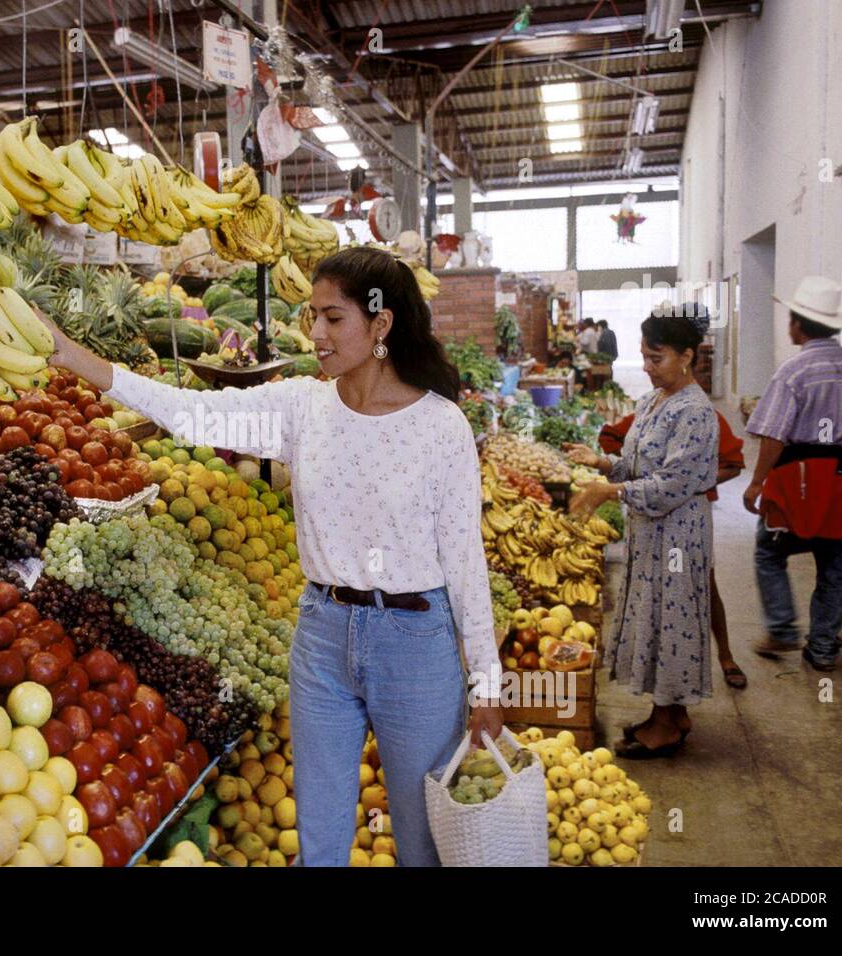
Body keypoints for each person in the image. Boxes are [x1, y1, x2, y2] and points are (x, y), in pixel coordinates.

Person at [40, 246, 503, 866]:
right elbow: (194, 415)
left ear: (381, 324)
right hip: (322, 635)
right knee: (320, 833)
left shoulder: (440, 427)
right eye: (311, 315)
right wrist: (72, 358)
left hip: (416, 644)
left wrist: (488, 685)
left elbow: (466, 564)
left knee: (421, 840)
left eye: (333, 318)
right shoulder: (301, 408)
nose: (315, 333)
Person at [563, 303, 718, 758]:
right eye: (645, 357)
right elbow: (642, 462)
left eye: (657, 358)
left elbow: (672, 483)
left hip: (677, 533)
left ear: (687, 355)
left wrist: (607, 492)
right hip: (651, 529)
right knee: (654, 616)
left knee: (672, 619)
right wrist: (604, 463)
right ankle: (667, 714)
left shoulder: (694, 410)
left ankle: (669, 725)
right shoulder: (657, 399)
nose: (648, 368)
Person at [744, 277, 842, 671]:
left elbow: (774, 435)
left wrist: (756, 482)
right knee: (835, 564)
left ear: (797, 324)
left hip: (799, 477)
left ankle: (783, 628)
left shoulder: (794, 371)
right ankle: (822, 648)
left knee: (770, 551)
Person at [599, 402, 748, 688]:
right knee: (659, 599)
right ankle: (664, 674)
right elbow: (609, 437)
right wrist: (642, 474)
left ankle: (725, 656)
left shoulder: (703, 415)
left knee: (702, 585)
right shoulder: (651, 414)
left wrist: (692, 482)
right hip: (652, 521)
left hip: (688, 524)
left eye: (657, 357)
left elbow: (733, 465)